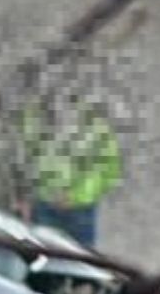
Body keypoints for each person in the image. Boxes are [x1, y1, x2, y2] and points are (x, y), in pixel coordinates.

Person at [22, 105, 121, 248]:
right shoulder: (32, 114)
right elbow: (24, 155)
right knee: (46, 255)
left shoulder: (94, 122)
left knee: (76, 258)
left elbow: (108, 171)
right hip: (46, 204)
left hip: (76, 208)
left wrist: (75, 196)